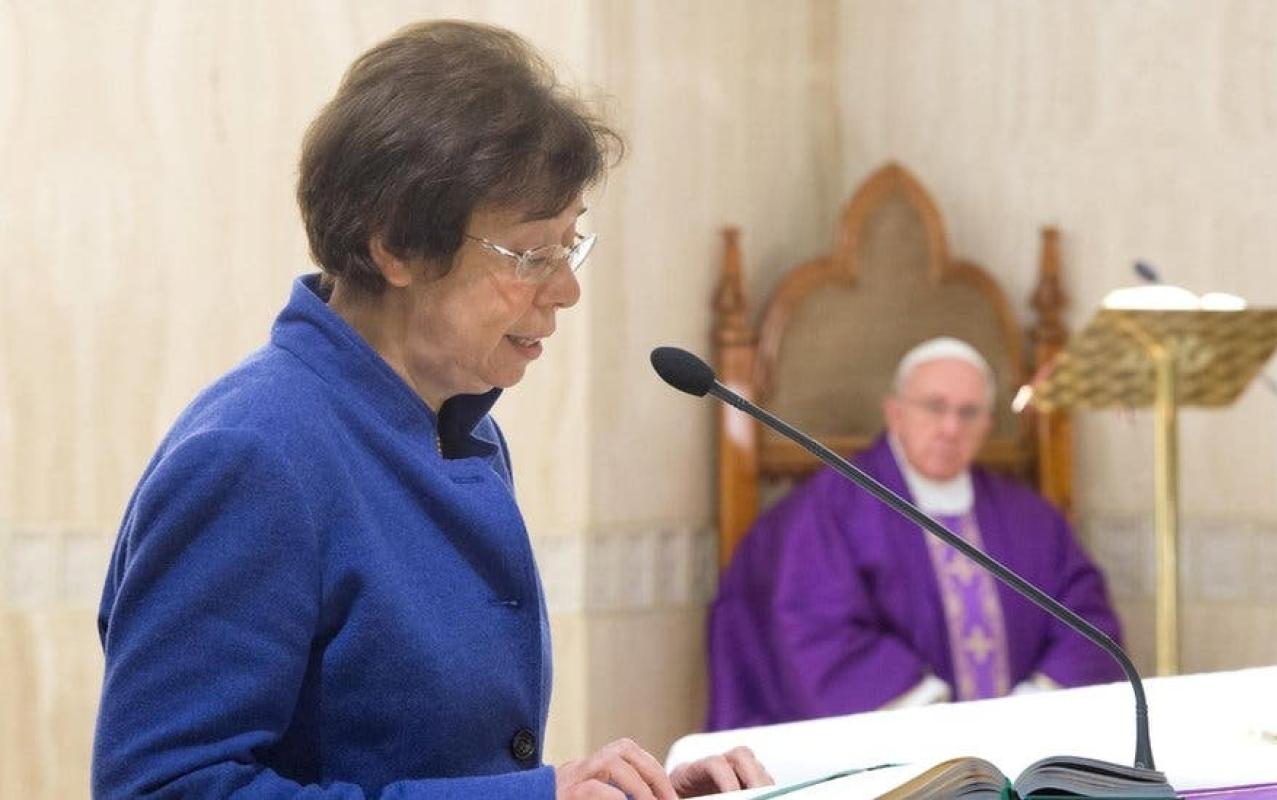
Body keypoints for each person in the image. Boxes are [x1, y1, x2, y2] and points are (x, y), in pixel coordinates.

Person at [92, 20, 771, 799]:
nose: (566, 290)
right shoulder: (255, 454)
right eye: (532, 255)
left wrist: (627, 792)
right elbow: (162, 789)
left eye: (571, 245)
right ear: (397, 246)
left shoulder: (462, 430)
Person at [706, 337, 1123, 730]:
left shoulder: (1031, 518)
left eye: (968, 412)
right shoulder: (832, 509)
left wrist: (1033, 703)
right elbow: (812, 625)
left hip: (1027, 742)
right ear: (895, 413)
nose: (950, 428)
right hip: (900, 748)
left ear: (987, 424)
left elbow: (1086, 617)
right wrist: (934, 719)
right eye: (934, 407)